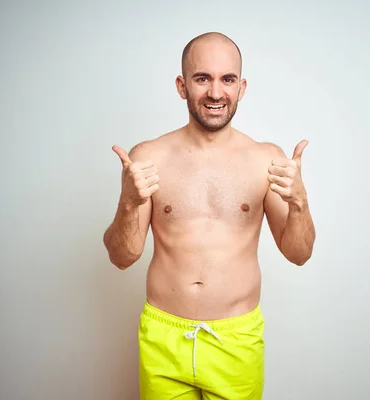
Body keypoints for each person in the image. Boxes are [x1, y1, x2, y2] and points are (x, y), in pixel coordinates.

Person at [103, 31, 316, 400]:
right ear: (182, 86)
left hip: (236, 340)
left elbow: (299, 254)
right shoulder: (149, 157)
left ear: (242, 87)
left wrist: (299, 202)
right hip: (163, 338)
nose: (216, 93)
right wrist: (127, 203)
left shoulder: (265, 158)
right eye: (203, 78)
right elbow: (122, 257)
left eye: (227, 79)